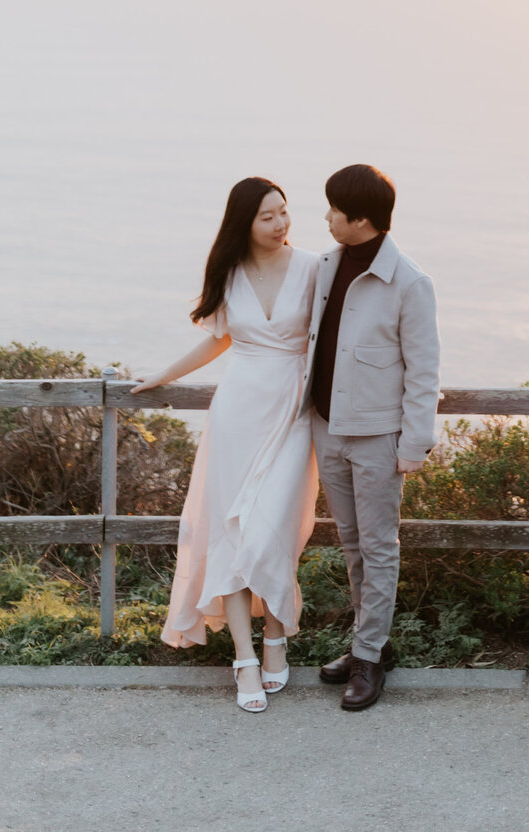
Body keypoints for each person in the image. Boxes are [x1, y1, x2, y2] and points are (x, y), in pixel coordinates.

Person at [132, 176, 318, 712]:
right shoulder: (230, 273)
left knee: (274, 529)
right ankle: (245, 658)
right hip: (238, 411)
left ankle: (277, 637)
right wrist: (161, 376)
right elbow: (219, 338)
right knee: (231, 533)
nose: (281, 224)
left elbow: (335, 337)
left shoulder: (312, 268)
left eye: (284, 212)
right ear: (245, 223)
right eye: (268, 216)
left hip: (292, 412)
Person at [303, 162, 440, 711]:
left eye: (335, 209)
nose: (328, 217)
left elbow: (424, 370)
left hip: (378, 437)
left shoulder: (410, 282)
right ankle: (371, 643)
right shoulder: (325, 266)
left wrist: (413, 445)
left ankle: (368, 659)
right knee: (353, 546)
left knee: (379, 548)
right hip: (325, 428)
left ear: (361, 219)